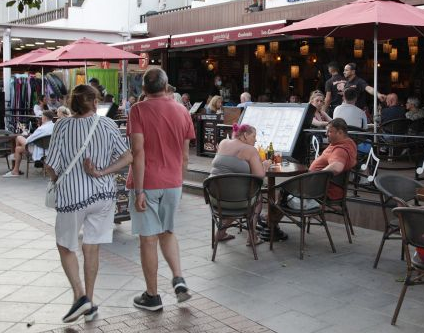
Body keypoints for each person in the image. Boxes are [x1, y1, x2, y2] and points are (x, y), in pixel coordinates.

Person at [45, 84, 131, 322]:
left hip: (73, 196)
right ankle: (90, 303)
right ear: (94, 102)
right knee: (92, 247)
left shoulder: (62, 125)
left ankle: (80, 296)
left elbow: (51, 165)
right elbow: (127, 156)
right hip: (103, 195)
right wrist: (103, 172)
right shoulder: (108, 124)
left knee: (65, 245)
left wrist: (54, 178)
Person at [126, 68, 195, 311]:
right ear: (167, 87)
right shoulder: (182, 111)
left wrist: (139, 190)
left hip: (148, 183)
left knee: (148, 240)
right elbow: (185, 156)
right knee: (167, 231)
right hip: (173, 182)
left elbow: (138, 151)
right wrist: (179, 183)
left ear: (143, 89)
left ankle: (152, 296)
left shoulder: (138, 110)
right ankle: (178, 278)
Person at [209, 123, 269, 245]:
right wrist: (265, 166)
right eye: (254, 136)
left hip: (214, 198)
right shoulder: (250, 150)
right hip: (237, 201)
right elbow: (259, 176)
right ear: (245, 135)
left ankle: (220, 233)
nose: (256, 139)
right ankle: (252, 237)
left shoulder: (223, 143)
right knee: (255, 198)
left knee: (236, 196)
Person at [309, 119, 358, 201]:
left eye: (329, 131)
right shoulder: (348, 142)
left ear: (340, 132)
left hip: (320, 191)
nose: (326, 134)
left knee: (285, 187)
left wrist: (315, 176)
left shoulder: (340, 150)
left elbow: (337, 167)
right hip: (320, 186)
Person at [3, 110, 57, 177]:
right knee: (18, 149)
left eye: (42, 117)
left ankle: (15, 165)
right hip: (51, 150)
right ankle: (15, 166)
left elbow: (29, 140)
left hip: (40, 150)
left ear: (45, 118)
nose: (41, 118)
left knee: (19, 137)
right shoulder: (55, 126)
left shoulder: (42, 128)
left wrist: (26, 134)